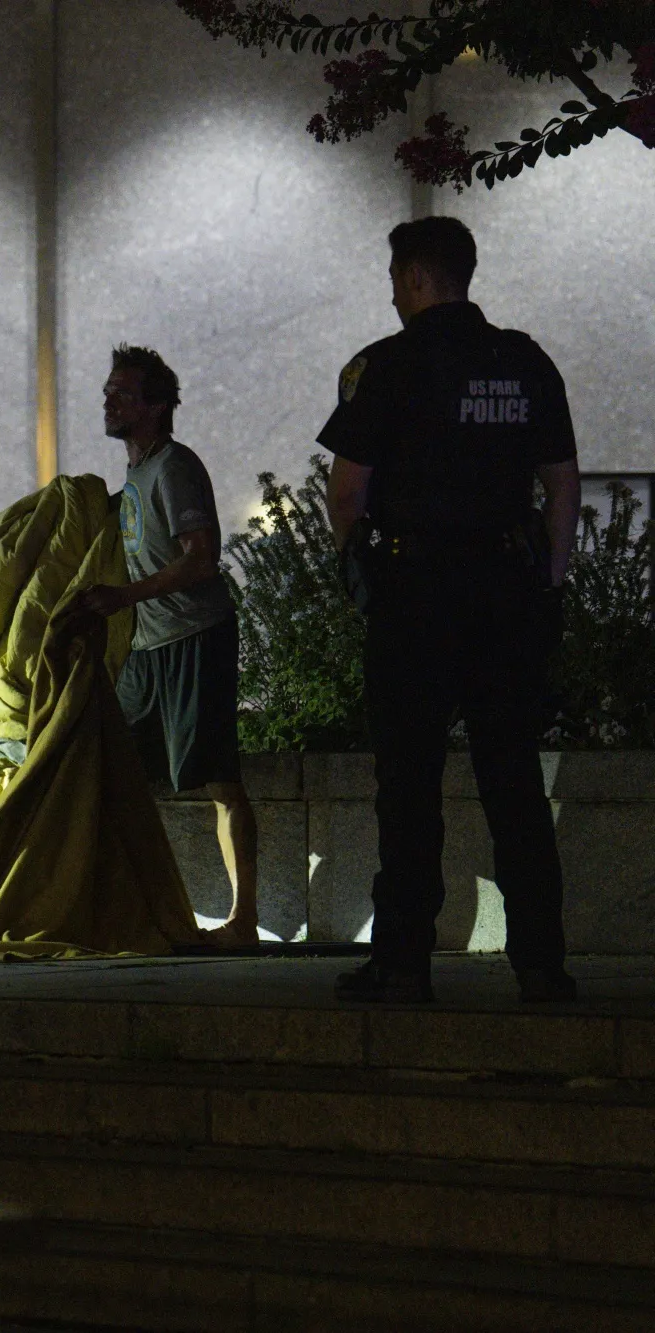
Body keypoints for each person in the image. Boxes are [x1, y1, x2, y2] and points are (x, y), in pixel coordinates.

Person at [320, 217, 579, 1005]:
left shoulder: (384, 367)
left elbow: (346, 489)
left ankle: (403, 960)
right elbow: (563, 483)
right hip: (504, 590)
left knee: (408, 781)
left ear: (415, 279)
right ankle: (539, 961)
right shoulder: (524, 362)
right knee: (513, 778)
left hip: (413, 594)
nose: (393, 293)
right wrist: (550, 582)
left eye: (396, 279)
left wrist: (354, 561)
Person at [76, 346, 259, 949]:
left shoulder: (175, 467)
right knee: (116, 768)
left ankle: (243, 921)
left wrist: (123, 597)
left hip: (193, 638)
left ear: (155, 407)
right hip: (148, 650)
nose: (108, 402)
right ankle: (132, 908)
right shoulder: (135, 475)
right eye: (108, 391)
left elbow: (200, 559)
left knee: (218, 782)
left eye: (122, 394)